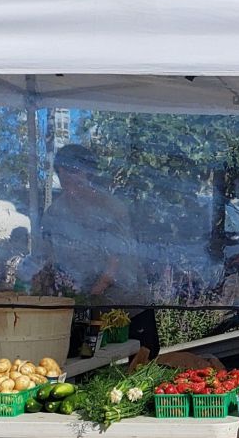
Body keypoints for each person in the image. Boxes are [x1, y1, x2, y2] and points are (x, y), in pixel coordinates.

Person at [38, 144, 160, 354]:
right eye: (63, 171)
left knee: (142, 360)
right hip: (88, 307)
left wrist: (94, 291)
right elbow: (48, 257)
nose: (69, 177)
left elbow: (117, 259)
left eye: (75, 170)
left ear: (89, 172)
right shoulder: (54, 214)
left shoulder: (111, 207)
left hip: (128, 303)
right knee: (93, 365)